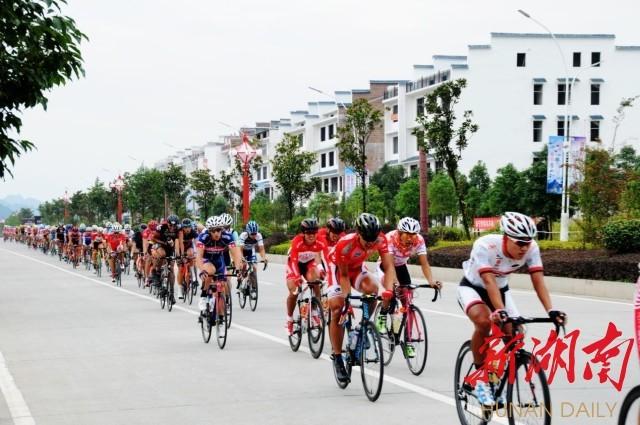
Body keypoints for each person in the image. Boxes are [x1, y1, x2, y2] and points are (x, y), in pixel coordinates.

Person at [456, 211, 567, 407]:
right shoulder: (485, 245)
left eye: (528, 242)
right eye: (520, 243)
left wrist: (552, 310)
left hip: (501, 290)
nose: (525, 247)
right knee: (483, 322)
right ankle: (480, 377)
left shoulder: (531, 248)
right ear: (506, 238)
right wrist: (500, 311)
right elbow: (488, 281)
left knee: (515, 334)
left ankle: (495, 377)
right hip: (473, 287)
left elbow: (538, 281)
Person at [327, 213, 397, 383]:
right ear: (359, 233)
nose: (371, 244)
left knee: (372, 288)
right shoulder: (345, 244)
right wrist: (346, 299)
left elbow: (388, 267)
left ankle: (361, 329)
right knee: (337, 308)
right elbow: (343, 276)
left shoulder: (380, 240)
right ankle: (337, 357)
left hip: (357, 268)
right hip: (338, 271)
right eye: (367, 240)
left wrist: (388, 291)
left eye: (374, 239)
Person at [377, 217, 442, 358]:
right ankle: (382, 313)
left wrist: (431, 281)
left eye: (414, 235)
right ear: (400, 232)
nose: (411, 238)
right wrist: (394, 282)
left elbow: (424, 263)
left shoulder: (419, 240)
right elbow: (389, 266)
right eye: (407, 234)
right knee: (391, 292)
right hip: (386, 266)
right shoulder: (390, 238)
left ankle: (408, 341)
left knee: (407, 303)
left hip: (401, 266)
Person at [285, 218, 328, 335]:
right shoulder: (297, 241)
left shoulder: (320, 240)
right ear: (303, 233)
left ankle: (314, 312)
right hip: (294, 265)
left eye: (314, 232)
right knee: (294, 292)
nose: (311, 235)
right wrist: (297, 276)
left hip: (309, 263)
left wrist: (323, 270)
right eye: (308, 233)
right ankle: (289, 319)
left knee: (316, 282)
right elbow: (293, 261)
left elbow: (324, 258)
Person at [195, 215, 243, 318]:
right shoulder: (204, 237)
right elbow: (198, 257)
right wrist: (202, 270)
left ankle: (220, 318)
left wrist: (238, 269)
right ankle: (203, 296)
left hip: (218, 260)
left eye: (218, 230)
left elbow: (236, 254)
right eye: (213, 231)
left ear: (222, 229)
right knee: (210, 271)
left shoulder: (227, 236)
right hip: (206, 259)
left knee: (222, 285)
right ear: (209, 231)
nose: (216, 233)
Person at [150, 215, 182, 303]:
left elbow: (177, 242)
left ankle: (171, 293)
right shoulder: (161, 227)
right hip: (160, 245)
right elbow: (153, 238)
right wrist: (164, 242)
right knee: (162, 254)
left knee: (171, 268)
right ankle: (156, 272)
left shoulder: (178, 229)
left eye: (174, 226)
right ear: (167, 223)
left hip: (170, 248)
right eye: (170, 225)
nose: (172, 227)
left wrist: (179, 255)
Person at [236, 220, 268, 289]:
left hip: (250, 251)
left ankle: (253, 288)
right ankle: (240, 277)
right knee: (244, 265)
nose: (254, 235)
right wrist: (242, 258)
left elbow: (261, 249)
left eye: (255, 233)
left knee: (254, 267)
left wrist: (264, 258)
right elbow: (240, 249)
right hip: (242, 251)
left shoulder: (258, 236)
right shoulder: (243, 235)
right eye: (252, 234)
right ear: (248, 232)